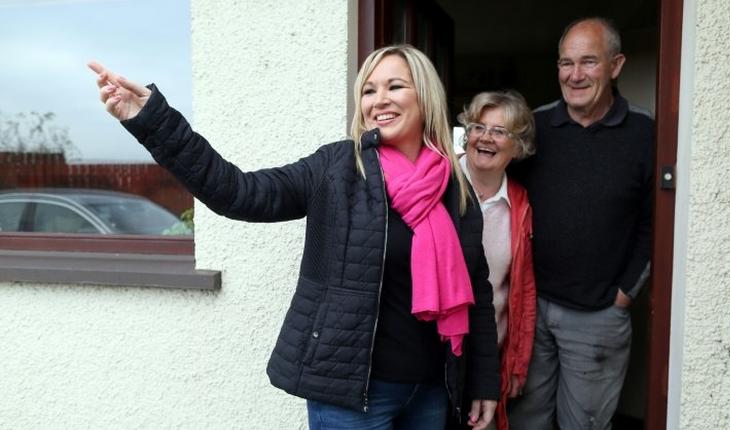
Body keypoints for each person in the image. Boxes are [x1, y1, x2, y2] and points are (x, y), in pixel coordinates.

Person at [89, 44, 499, 430]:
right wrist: (153, 120)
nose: (380, 100)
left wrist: (483, 381)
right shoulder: (337, 168)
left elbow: (477, 292)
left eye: (395, 86)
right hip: (352, 397)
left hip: (430, 391)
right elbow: (238, 193)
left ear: (424, 96)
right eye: (369, 90)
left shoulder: (452, 188)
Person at [507, 17, 654, 430]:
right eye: (565, 63)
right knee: (524, 419)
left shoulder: (646, 133)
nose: (574, 75)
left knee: (584, 424)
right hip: (531, 306)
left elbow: (655, 223)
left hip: (598, 315)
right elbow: (502, 198)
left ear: (616, 65)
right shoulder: (535, 126)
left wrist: (625, 294)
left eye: (588, 62)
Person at [446, 90, 537, 430]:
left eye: (499, 131)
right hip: (434, 355)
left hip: (486, 356)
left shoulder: (519, 203)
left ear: (518, 145)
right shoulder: (439, 180)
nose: (485, 137)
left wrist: (516, 363)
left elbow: (522, 290)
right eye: (477, 127)